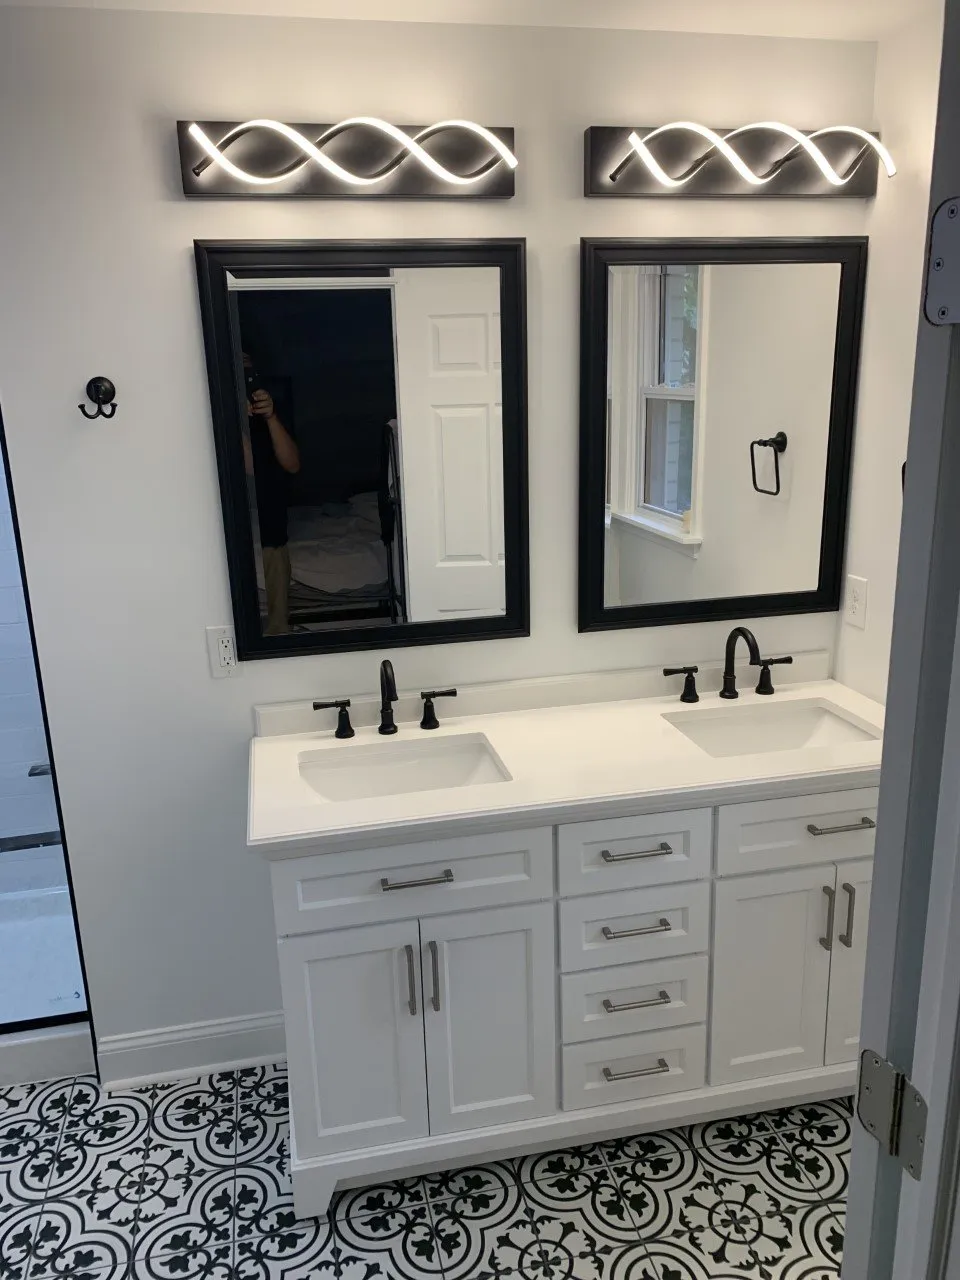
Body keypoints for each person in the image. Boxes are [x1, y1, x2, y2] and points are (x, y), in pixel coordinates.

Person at [241, 355, 300, 635]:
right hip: (231, 525)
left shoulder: (273, 406)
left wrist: (271, 417)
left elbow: (292, 464)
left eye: (247, 364)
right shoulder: (211, 405)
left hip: (270, 526)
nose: (242, 372)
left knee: (277, 625)